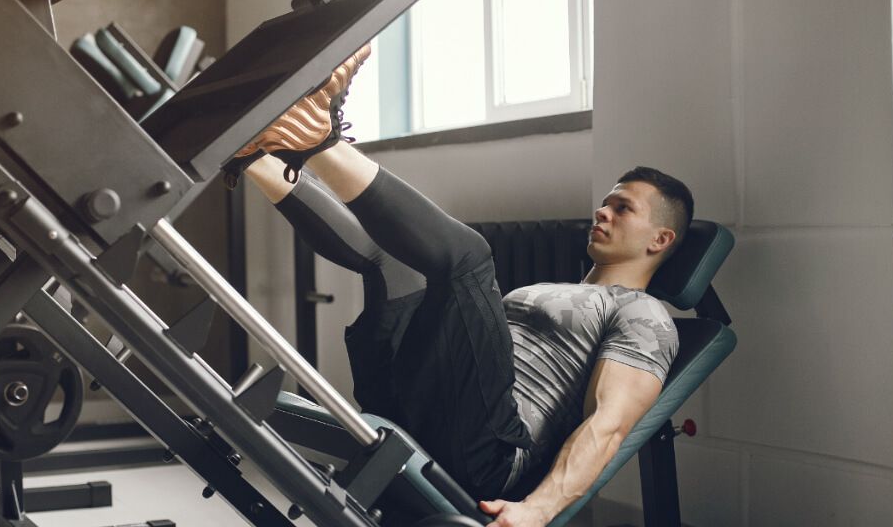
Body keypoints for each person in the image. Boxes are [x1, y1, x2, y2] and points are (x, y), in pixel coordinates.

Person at [223, 47, 692, 527]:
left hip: (488, 457)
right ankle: (251, 156)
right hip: (425, 410)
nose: (602, 212)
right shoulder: (558, 288)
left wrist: (538, 509)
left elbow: (609, 424)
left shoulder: (644, 314)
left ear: (660, 238)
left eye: (622, 208)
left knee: (469, 258)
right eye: (606, 203)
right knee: (392, 265)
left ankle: (316, 138)